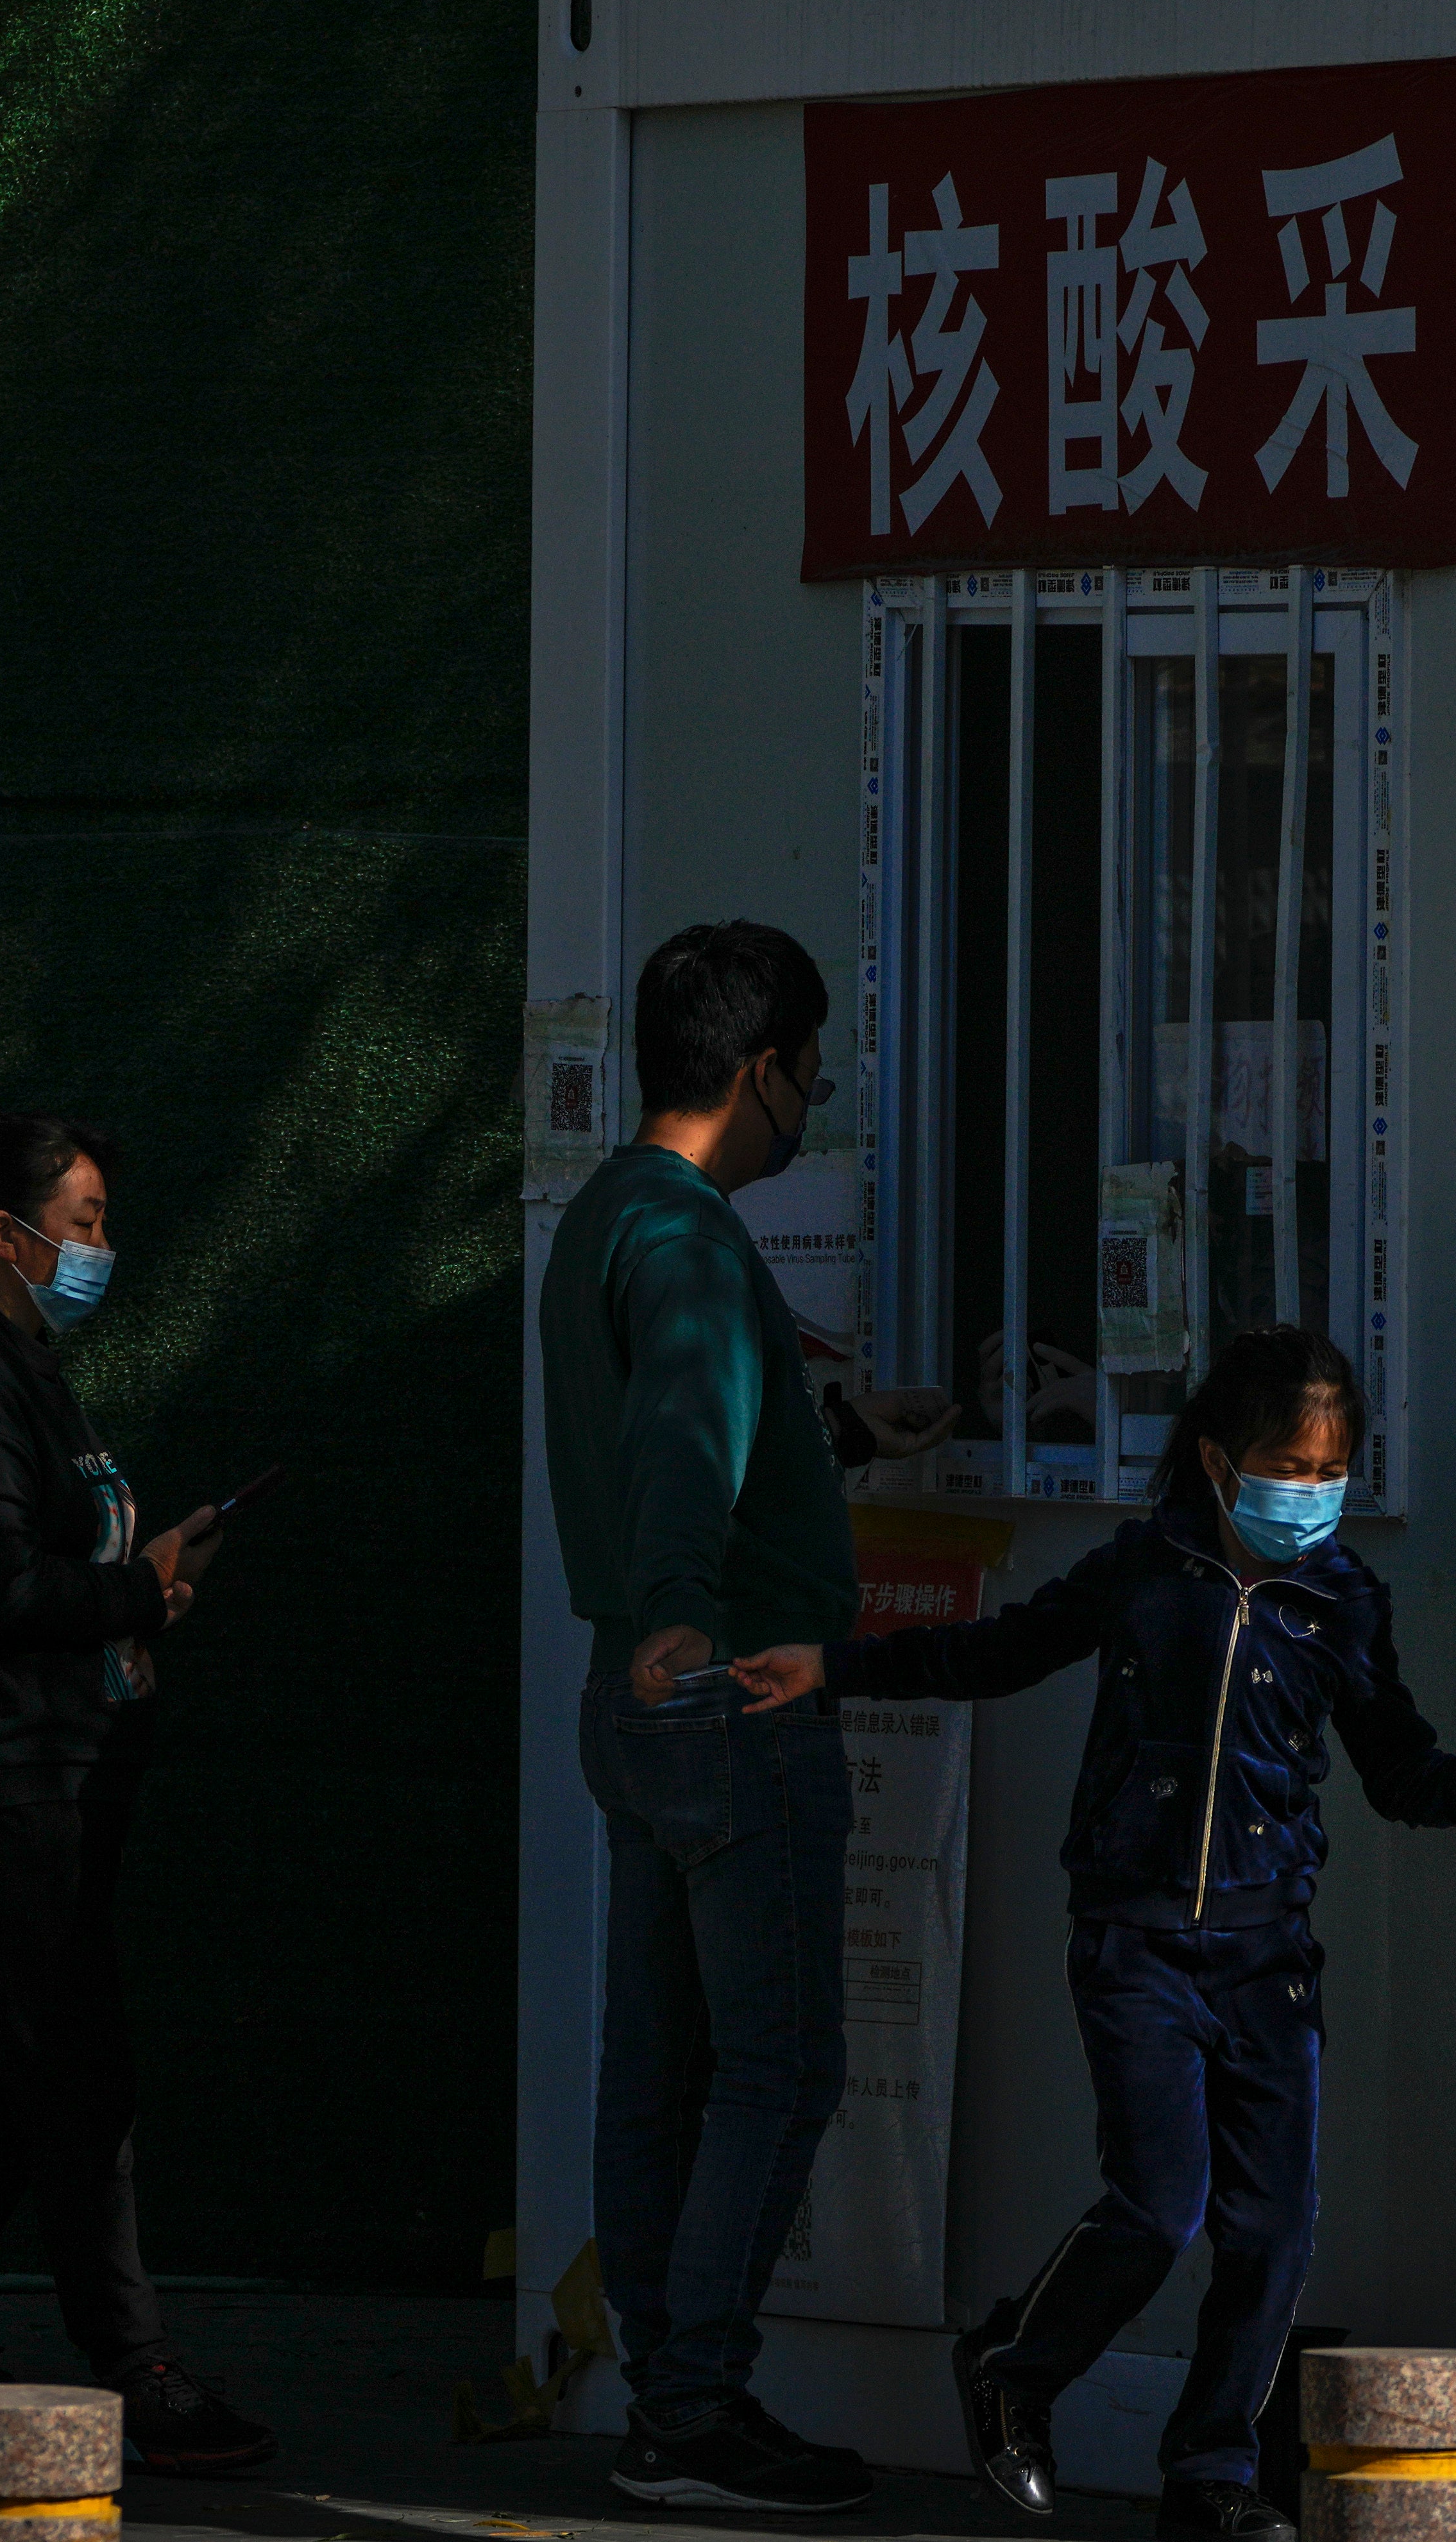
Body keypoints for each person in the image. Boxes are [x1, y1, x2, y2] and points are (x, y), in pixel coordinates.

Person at [735, 1326, 1456, 2542]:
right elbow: (995, 1654)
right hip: (1137, 1938)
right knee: (1160, 2205)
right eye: (1288, 1466)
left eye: (1333, 1473)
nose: (1311, 1496)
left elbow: (1393, 1760)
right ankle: (1014, 2362)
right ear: (1219, 1461)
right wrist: (832, 1669)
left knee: (1272, 2225)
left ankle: (1210, 2474)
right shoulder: (1143, 1571)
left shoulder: (1341, 1604)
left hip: (1270, 1955)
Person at [534, 922, 922, 2516]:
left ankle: (661, 2392)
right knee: (778, 2065)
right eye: (810, 1078)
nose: (812, 1108)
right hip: (729, 1692)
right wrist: (693, 1605)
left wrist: (842, 1430)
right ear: (759, 1069)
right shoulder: (692, 1235)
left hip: (633, 1695)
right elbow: (686, 1437)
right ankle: (696, 2405)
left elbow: (703, 1418)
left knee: (660, 2061)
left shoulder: (607, 1215)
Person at [0, 1114, 274, 2475]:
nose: (103, 1244)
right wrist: (137, 1587)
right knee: (76, 2068)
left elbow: (54, 1562)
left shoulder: (32, 1370)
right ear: (8, 1234)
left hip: (67, 1766)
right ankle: (134, 2359)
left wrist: (140, 1588)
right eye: (86, 1218)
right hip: (12, 1774)